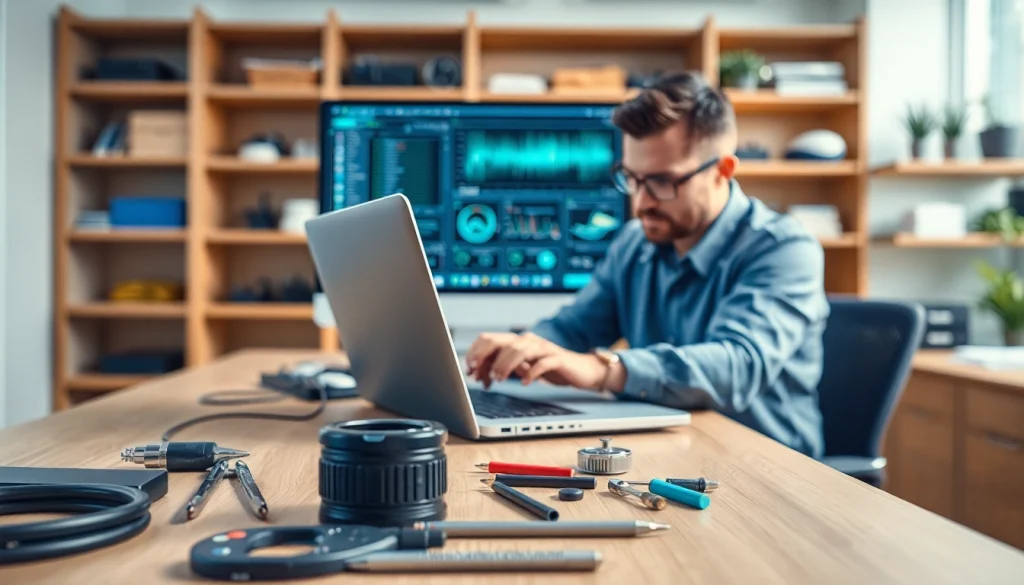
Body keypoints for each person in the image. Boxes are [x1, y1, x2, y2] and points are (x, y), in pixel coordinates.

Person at [465, 71, 830, 458]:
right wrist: (527, 349)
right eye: (632, 179)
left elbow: (737, 365)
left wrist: (604, 370)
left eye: (662, 182)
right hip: (668, 455)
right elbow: (573, 328)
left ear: (723, 172)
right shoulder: (634, 243)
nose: (640, 204)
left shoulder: (786, 249)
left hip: (771, 471)